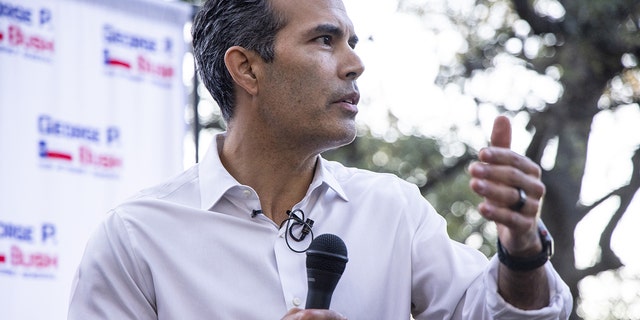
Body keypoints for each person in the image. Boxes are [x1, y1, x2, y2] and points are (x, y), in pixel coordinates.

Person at [67, 0, 572, 318]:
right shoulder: (135, 237)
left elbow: (505, 314)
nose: (355, 64)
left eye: (350, 41)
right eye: (325, 40)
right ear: (247, 68)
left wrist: (521, 248)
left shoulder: (394, 210)